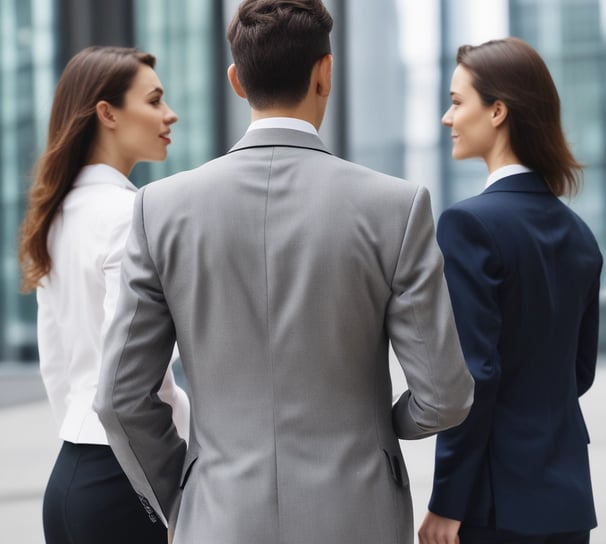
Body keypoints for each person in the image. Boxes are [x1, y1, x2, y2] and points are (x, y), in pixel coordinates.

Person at [94, 1, 474, 543]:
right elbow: (445, 396)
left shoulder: (161, 208)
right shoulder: (397, 206)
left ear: (236, 81)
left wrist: (185, 496)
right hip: (359, 514)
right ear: (326, 72)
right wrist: (382, 429)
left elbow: (118, 398)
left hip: (218, 518)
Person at [419, 37, 601, 544]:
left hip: (492, 505)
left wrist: (446, 502)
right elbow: (578, 373)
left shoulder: (467, 224)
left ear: (498, 111)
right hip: (565, 503)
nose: (446, 118)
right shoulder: (580, 236)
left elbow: (472, 376)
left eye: (457, 102)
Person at [18, 46, 189, 544]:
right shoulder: (131, 214)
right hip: (128, 485)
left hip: (71, 476)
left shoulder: (59, 214)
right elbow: (134, 381)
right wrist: (173, 498)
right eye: (155, 100)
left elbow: (58, 367)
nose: (170, 112)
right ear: (107, 112)